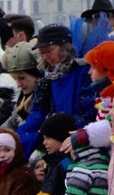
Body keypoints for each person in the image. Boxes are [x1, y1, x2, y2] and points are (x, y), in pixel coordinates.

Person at [18, 23, 97, 156]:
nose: (45, 57)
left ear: (64, 47)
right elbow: (38, 111)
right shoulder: (48, 75)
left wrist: (58, 134)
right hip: (55, 141)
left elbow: (88, 111)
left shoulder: (85, 71)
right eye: (42, 53)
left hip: (80, 140)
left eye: (49, 51)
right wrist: (18, 144)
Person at [2, 41, 42, 130]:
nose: (18, 85)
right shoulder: (23, 100)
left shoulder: (42, 100)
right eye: (15, 79)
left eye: (22, 78)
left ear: (36, 75)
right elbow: (9, 126)